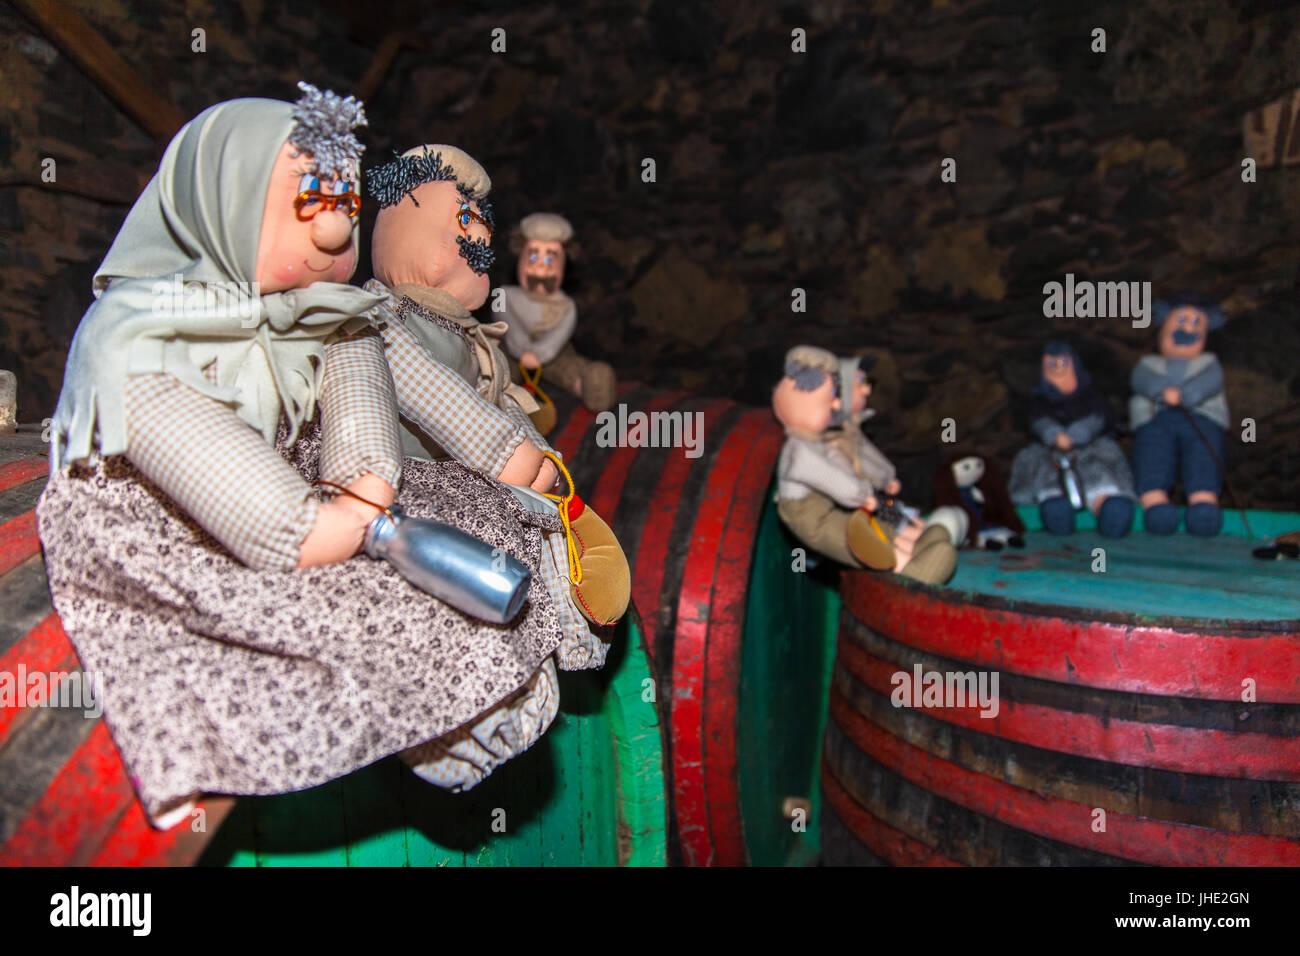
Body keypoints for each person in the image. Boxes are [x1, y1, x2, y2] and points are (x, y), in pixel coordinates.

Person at [37, 85, 566, 826]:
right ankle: (403, 732)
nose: (332, 231)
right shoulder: (138, 335)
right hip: (186, 508)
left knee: (462, 537)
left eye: (344, 205)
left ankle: (479, 714)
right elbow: (184, 436)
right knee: (271, 624)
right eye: (304, 199)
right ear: (224, 197)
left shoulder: (331, 317)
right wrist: (301, 525)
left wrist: (366, 478)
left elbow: (371, 395)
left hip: (312, 483)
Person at [1009, 341, 1136, 536]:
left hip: (1091, 450)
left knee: (1103, 477)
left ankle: (1107, 506)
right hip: (1054, 454)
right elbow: (1037, 421)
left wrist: (1079, 433)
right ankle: (1056, 508)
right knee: (1048, 480)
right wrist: (1052, 433)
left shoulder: (1092, 397)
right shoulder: (1040, 402)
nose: (1059, 370)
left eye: (1063, 364)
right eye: (1052, 366)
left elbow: (1100, 417)